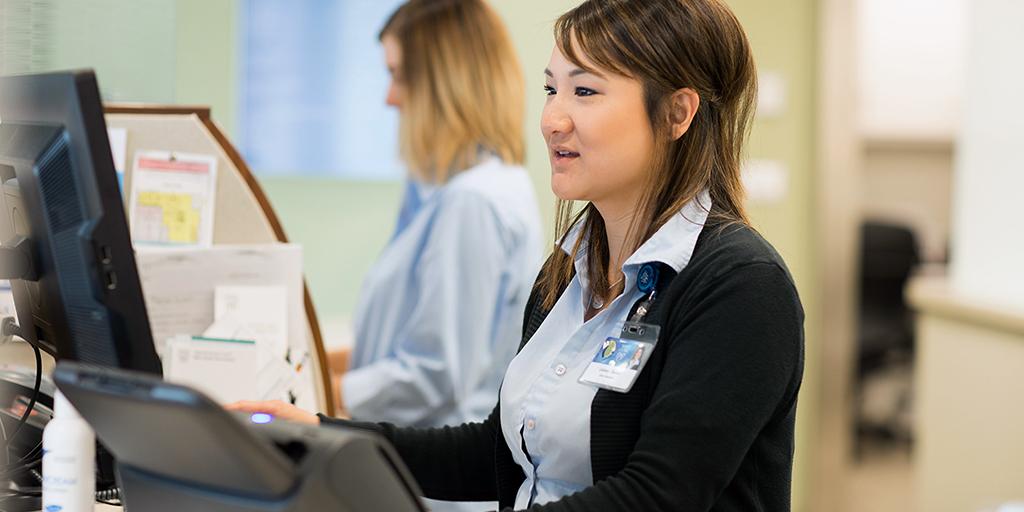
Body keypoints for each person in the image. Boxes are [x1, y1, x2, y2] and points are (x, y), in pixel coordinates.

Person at [231, 0, 805, 510]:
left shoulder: (741, 286)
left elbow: (659, 493)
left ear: (678, 113)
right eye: (552, 88)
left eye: (585, 91)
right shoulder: (569, 271)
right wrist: (320, 435)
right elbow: (500, 454)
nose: (552, 119)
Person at [326, 0, 543, 430]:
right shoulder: (455, 190)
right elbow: (406, 344)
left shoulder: (473, 202)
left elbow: (435, 376)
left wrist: (318, 389)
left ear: (446, 85)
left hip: (436, 479)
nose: (389, 99)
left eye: (397, 76)